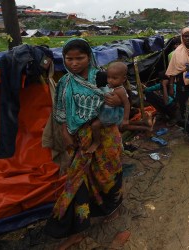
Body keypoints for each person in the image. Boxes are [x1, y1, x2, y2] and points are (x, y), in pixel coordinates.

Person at [45, 38, 125, 249]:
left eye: (79, 58)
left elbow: (123, 95)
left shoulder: (100, 77)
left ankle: (113, 207)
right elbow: (61, 112)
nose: (73, 63)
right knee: (78, 180)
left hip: (105, 136)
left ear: (89, 57)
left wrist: (118, 101)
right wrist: (65, 132)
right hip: (79, 137)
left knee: (107, 175)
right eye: (69, 59)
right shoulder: (65, 82)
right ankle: (79, 227)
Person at [87, 61, 130, 153]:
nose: (110, 80)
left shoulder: (120, 90)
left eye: (114, 78)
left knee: (95, 125)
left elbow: (127, 104)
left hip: (110, 114)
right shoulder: (110, 86)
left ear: (123, 79)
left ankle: (96, 142)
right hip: (106, 112)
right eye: (109, 77)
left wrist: (126, 119)